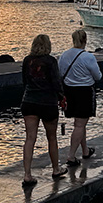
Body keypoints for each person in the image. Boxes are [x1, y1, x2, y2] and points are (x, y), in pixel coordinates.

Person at [20, 34, 68, 185]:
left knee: (30, 138)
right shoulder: (51, 61)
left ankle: (27, 174)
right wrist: (62, 97)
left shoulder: (27, 61)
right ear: (48, 45)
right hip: (47, 103)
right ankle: (56, 169)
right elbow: (56, 82)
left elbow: (24, 81)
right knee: (52, 138)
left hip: (29, 102)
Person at [57, 29, 102, 166]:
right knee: (80, 124)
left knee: (79, 124)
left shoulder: (64, 55)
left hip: (69, 92)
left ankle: (85, 150)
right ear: (85, 40)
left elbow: (60, 73)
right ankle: (71, 156)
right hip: (84, 92)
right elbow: (98, 76)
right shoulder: (88, 57)